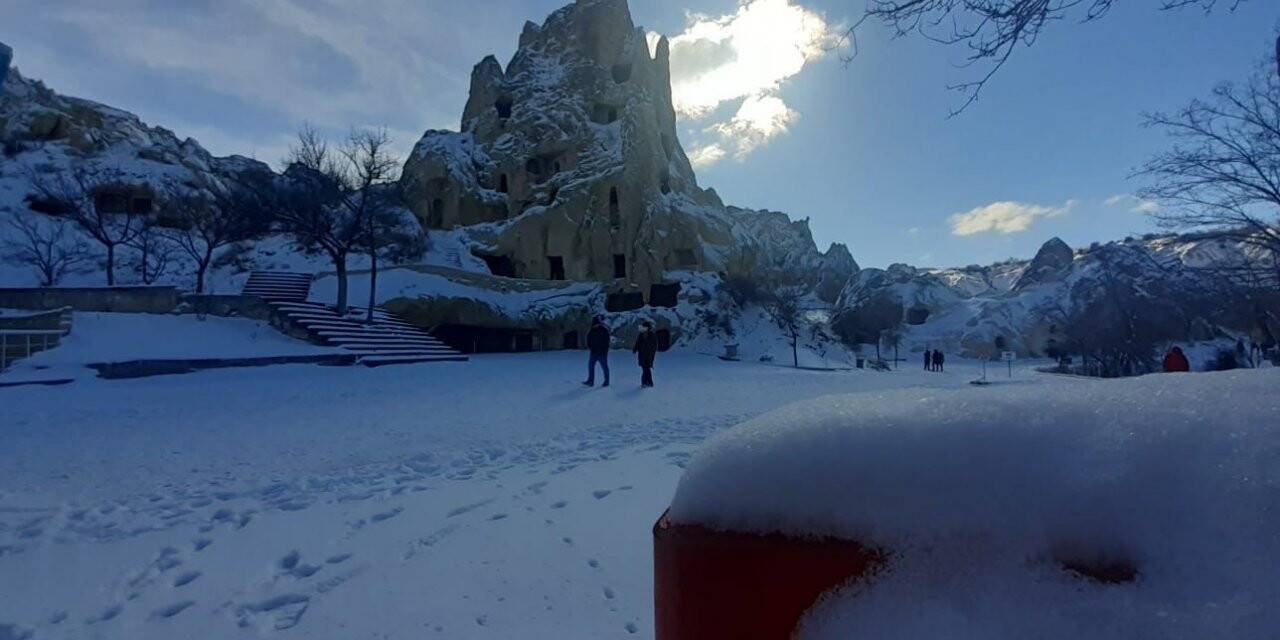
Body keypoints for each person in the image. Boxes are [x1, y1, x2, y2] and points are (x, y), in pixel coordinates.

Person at [583, 316, 610, 387]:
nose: (596, 325)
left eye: (597, 324)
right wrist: (591, 348)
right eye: (595, 324)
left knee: (604, 367)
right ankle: (590, 381)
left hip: (602, 353)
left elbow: (607, 342)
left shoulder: (604, 331)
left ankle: (606, 381)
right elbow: (588, 340)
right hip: (594, 352)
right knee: (590, 366)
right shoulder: (591, 331)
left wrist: (604, 350)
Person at [633, 321, 658, 388]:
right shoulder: (641, 335)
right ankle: (648, 382)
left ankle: (646, 382)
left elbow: (654, 345)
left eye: (644, 327)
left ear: (648, 328)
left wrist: (651, 352)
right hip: (642, 354)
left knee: (646, 368)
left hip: (649, 355)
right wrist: (635, 349)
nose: (643, 328)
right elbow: (638, 342)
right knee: (645, 368)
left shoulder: (652, 335)